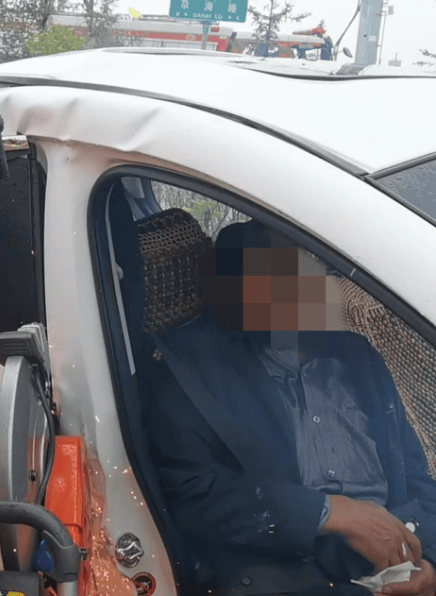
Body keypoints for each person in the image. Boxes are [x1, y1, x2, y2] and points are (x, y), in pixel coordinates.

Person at [147, 219, 436, 596]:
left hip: (403, 560)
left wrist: (428, 563)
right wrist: (326, 512)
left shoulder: (356, 356)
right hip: (298, 573)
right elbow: (194, 494)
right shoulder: (193, 376)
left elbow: (417, 479)